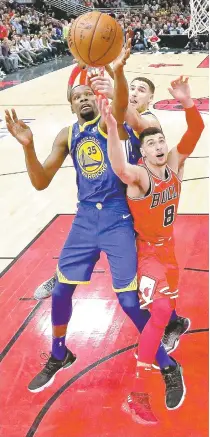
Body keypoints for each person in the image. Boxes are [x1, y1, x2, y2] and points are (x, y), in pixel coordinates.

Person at [34, 70, 191, 356]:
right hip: (121, 206)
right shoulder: (116, 118)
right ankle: (64, 276)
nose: (135, 93)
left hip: (139, 210)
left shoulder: (148, 121)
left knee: (145, 281)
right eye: (132, 88)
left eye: (141, 90)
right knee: (141, 281)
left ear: (152, 98)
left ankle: (171, 322)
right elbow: (116, 113)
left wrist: (113, 81)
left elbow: (128, 116)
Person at [98, 75, 204, 424]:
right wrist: (113, 130)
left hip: (170, 250)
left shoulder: (173, 164)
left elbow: (195, 131)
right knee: (158, 312)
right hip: (148, 254)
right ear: (142, 151)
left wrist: (187, 102)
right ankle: (140, 390)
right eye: (152, 143)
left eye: (161, 140)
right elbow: (118, 166)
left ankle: (172, 333)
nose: (159, 145)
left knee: (166, 310)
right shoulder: (141, 176)